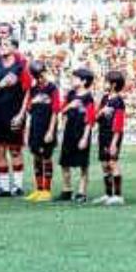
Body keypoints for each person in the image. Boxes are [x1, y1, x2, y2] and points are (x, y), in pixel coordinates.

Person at [0, 35, 31, 197]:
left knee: (15, 149)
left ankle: (17, 186)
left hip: (14, 113)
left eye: (6, 44)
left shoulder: (21, 67)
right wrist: (1, 85)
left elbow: (27, 91)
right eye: (0, 44)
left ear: (13, 47)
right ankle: (3, 188)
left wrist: (21, 114)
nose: (2, 46)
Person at [21, 60, 60, 203]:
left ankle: (47, 190)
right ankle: (38, 189)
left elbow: (56, 111)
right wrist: (26, 132)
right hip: (35, 128)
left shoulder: (52, 89)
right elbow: (29, 110)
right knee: (36, 157)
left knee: (46, 157)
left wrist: (51, 130)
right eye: (37, 76)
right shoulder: (33, 90)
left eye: (42, 74)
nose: (40, 78)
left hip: (47, 127)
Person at [56, 68, 95, 204]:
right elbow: (62, 110)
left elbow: (90, 120)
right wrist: (70, 106)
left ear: (84, 81)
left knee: (83, 164)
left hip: (82, 132)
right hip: (69, 131)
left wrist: (85, 137)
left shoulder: (88, 98)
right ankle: (67, 189)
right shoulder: (71, 94)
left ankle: (82, 192)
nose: (72, 80)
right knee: (64, 162)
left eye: (75, 78)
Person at [95, 70, 127, 206]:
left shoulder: (119, 102)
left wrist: (114, 142)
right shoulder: (104, 99)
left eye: (106, 81)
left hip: (113, 135)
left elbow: (118, 124)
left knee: (112, 163)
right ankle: (108, 194)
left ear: (113, 84)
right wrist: (101, 110)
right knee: (104, 164)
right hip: (102, 134)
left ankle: (118, 195)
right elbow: (95, 117)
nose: (104, 84)